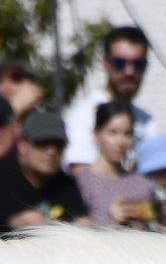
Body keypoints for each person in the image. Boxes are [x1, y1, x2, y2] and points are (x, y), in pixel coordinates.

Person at [0, 104, 86, 235]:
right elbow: (30, 224)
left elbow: (84, 222)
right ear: (22, 146)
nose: (51, 151)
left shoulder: (65, 184)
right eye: (42, 143)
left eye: (59, 145)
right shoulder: (0, 182)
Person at [65, 24, 153, 169]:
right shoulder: (85, 115)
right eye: (120, 63)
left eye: (138, 64)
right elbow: (81, 177)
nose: (129, 72)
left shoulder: (149, 121)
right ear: (105, 64)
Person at [72, 99, 158, 228]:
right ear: (96, 133)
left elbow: (156, 229)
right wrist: (112, 222)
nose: (120, 142)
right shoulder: (81, 184)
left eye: (127, 134)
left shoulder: (144, 185)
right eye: (112, 132)